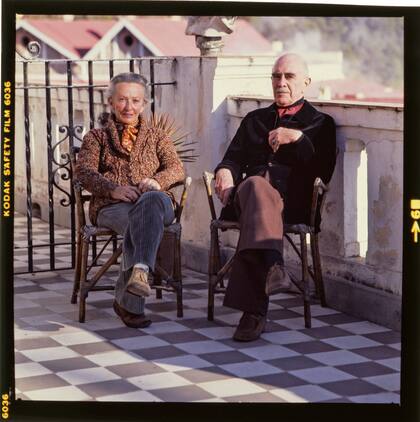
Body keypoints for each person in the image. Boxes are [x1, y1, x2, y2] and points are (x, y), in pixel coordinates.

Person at [214, 53, 336, 342]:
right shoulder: (255, 119)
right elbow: (231, 158)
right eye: (276, 76)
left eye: (289, 76)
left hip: (290, 205)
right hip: (245, 198)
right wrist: (225, 172)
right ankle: (273, 266)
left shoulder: (321, 123)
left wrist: (298, 138)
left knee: (259, 205)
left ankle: (254, 311)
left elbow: (324, 170)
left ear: (306, 82)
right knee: (256, 186)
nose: (281, 82)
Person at [75, 72, 185, 328]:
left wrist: (157, 182)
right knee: (141, 222)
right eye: (122, 100)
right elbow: (84, 172)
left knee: (151, 203)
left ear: (144, 104)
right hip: (113, 207)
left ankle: (133, 288)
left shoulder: (158, 136)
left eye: (135, 101)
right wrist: (113, 189)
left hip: (156, 203)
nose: (129, 107)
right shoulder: (96, 138)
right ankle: (136, 285)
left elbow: (176, 168)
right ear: (111, 102)